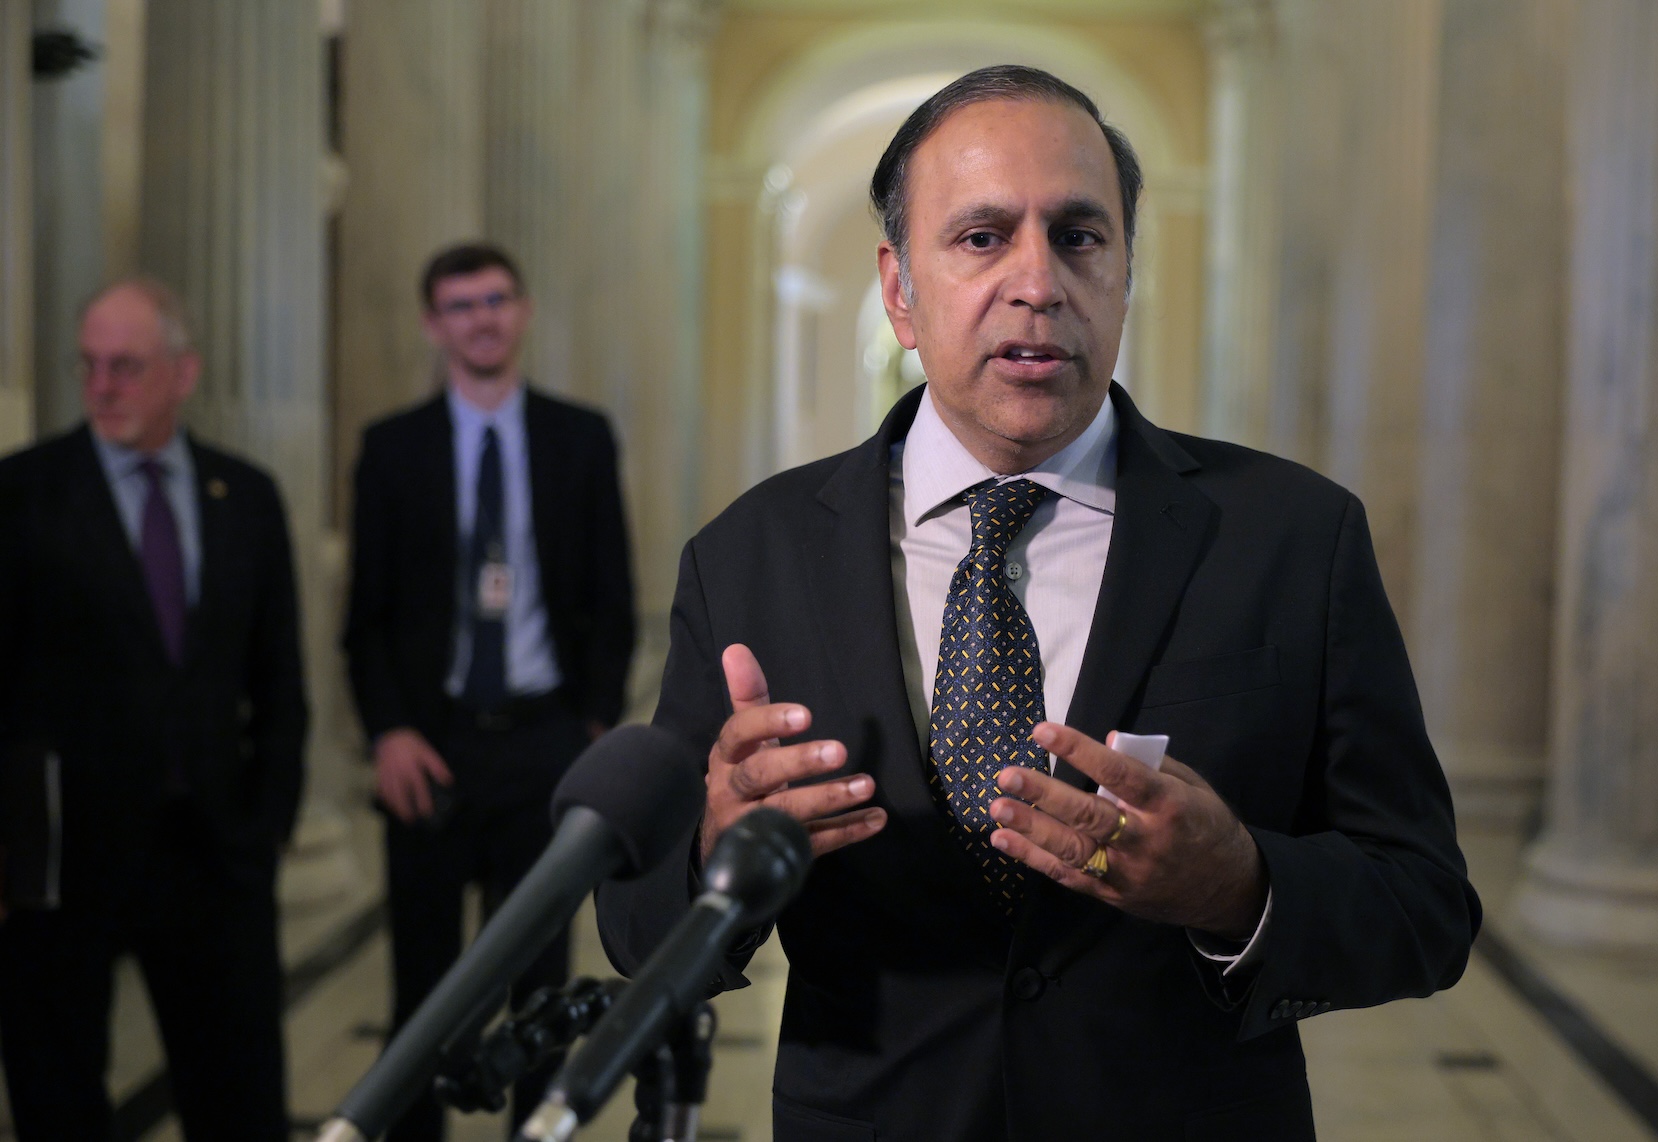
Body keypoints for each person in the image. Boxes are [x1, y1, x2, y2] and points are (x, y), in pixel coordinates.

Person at [596, 65, 1480, 1142]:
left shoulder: (1293, 537)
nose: (1038, 280)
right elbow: (636, 926)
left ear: (1124, 270)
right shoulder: (750, 556)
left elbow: (1426, 907)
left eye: (1079, 235)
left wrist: (1241, 884)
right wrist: (715, 846)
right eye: (981, 237)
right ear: (897, 287)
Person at [0, 278, 306, 1141]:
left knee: (238, 1098)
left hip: (214, 851)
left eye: (127, 366)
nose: (102, 386)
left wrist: (271, 818)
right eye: (89, 365)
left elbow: (280, 677)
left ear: (183, 371)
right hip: (62, 855)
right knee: (57, 1094)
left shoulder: (245, 495)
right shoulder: (22, 493)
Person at [342, 242, 635, 1141]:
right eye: (462, 306)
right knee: (425, 996)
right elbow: (366, 618)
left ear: (523, 311)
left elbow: (612, 596)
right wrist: (388, 731)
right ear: (436, 325)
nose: (483, 318)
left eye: (497, 300)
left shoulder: (578, 437)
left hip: (544, 742)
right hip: (431, 745)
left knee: (541, 987)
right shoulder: (392, 450)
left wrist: (592, 727)